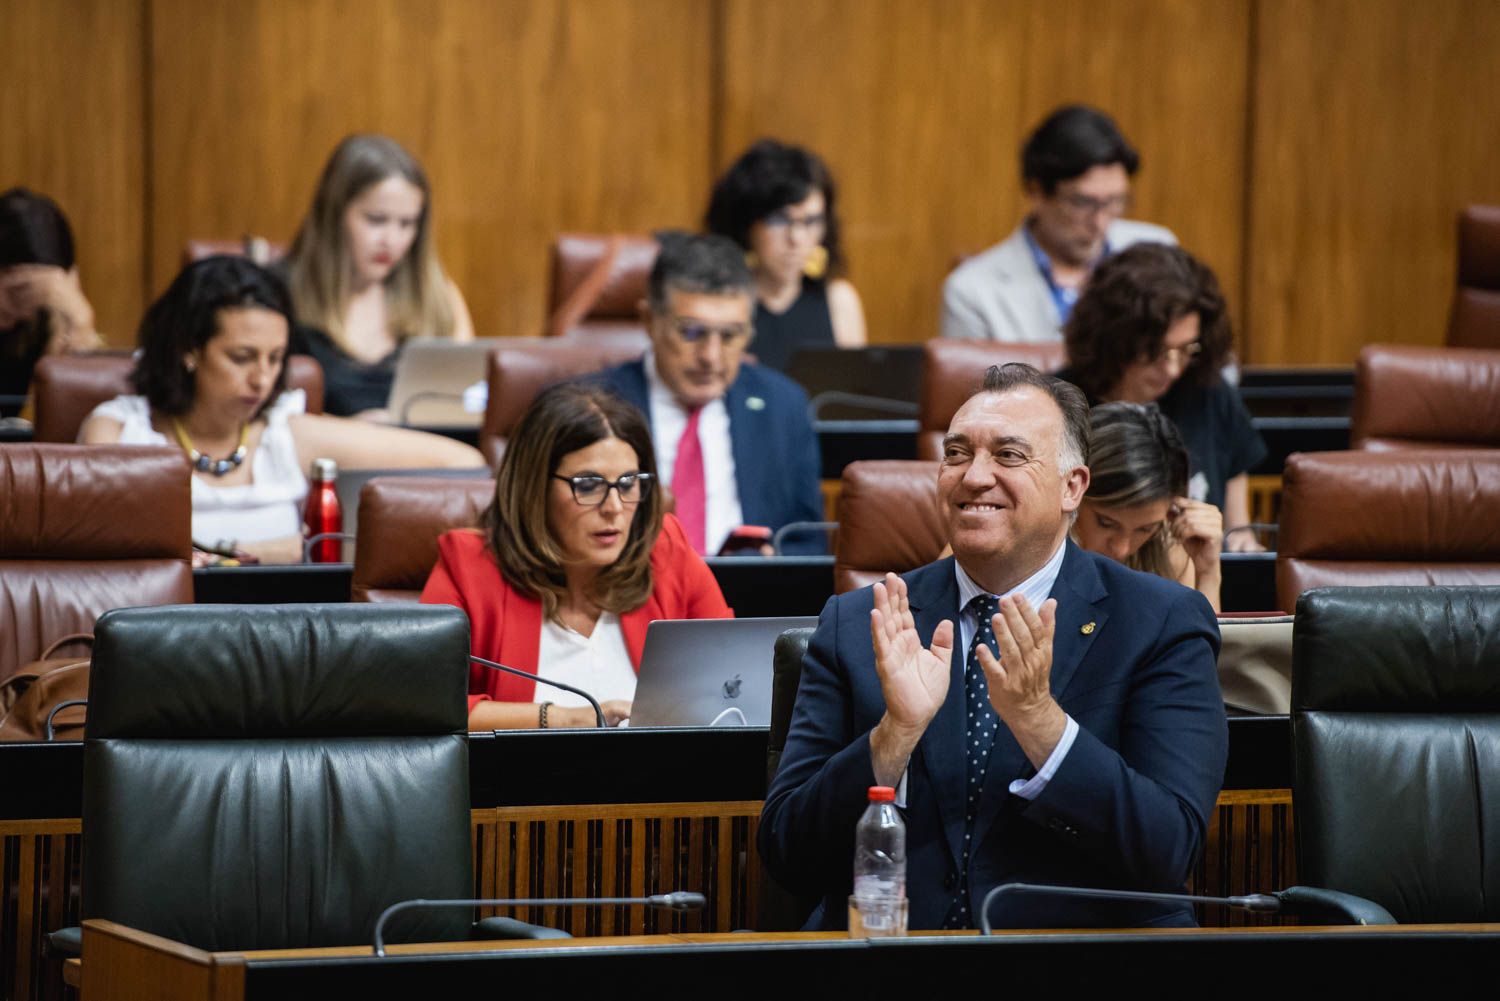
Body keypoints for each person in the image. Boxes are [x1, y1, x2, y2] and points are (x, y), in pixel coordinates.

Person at [759, 363, 1227, 931]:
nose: (974, 476)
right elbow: (787, 855)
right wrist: (893, 736)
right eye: (957, 454)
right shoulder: (863, 621)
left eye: (1008, 455)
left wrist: (1041, 725)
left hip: (1081, 968)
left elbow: (1168, 850)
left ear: (1072, 487)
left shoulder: (1159, 622)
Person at [79, 256, 484, 565]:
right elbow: (102, 554)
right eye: (241, 357)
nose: (263, 378)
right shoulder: (119, 431)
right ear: (188, 349)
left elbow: (465, 464)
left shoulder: (287, 433)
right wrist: (265, 551)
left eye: (275, 358)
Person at [421, 381, 733, 730]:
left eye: (628, 483)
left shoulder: (666, 553)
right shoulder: (469, 567)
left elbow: (733, 686)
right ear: (534, 487)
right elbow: (420, 703)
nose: (614, 508)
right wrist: (565, 718)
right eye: (588, 485)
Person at [589, 232, 826, 556]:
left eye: (730, 335)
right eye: (691, 332)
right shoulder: (590, 404)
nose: (711, 356)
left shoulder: (783, 406)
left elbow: (809, 543)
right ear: (649, 321)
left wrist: (770, 563)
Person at [1056, 242, 1265, 547]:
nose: (1172, 369)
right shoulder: (1059, 404)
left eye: (1186, 350)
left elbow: (1235, 504)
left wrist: (1242, 537)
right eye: (1155, 352)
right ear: (1115, 340)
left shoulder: (1209, 391)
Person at [941, 105, 1176, 344]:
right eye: (1083, 203)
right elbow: (974, 380)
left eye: (1115, 201)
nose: (1100, 222)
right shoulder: (971, 290)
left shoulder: (1159, 252)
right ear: (1036, 192)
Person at [282, 134, 474, 419]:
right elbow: (269, 420)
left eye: (407, 224)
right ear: (334, 215)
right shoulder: (279, 294)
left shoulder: (439, 296)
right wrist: (357, 433)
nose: (392, 240)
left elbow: (468, 402)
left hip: (428, 456)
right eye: (376, 220)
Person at [705, 139, 866, 371]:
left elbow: (852, 399)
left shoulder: (839, 301)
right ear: (747, 224)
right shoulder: (717, 303)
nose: (797, 239)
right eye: (780, 220)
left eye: (811, 221)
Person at [1075, 402, 1223, 612]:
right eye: (1106, 523)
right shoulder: (1035, 548)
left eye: (1145, 529)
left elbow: (1200, 644)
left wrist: (1208, 572)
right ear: (1073, 489)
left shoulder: (1169, 549)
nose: (1121, 549)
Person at [0, 188, 104, 406]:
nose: (5, 302)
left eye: (27, 293)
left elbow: (68, 418)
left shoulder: (46, 323)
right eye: (14, 289)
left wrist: (78, 324)